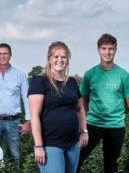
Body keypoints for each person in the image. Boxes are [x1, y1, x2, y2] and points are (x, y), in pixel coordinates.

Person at [77, 33, 129, 173]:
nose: (107, 52)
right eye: (104, 48)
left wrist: (117, 113)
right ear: (98, 50)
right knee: (77, 159)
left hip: (115, 126)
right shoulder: (90, 74)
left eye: (111, 48)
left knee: (111, 166)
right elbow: (84, 97)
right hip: (92, 124)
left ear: (115, 50)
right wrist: (91, 112)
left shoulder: (123, 75)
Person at [28, 41, 89, 173]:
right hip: (50, 145)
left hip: (72, 144)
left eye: (63, 57)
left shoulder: (72, 82)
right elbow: (35, 116)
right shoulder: (40, 81)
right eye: (56, 57)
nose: (60, 60)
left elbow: (80, 109)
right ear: (49, 59)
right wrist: (39, 146)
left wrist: (84, 132)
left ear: (67, 60)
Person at [0, 43, 32, 167]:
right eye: (0, 53)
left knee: (13, 155)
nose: (3, 56)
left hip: (13, 121)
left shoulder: (20, 75)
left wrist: (28, 121)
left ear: (10, 55)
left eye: (5, 53)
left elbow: (27, 98)